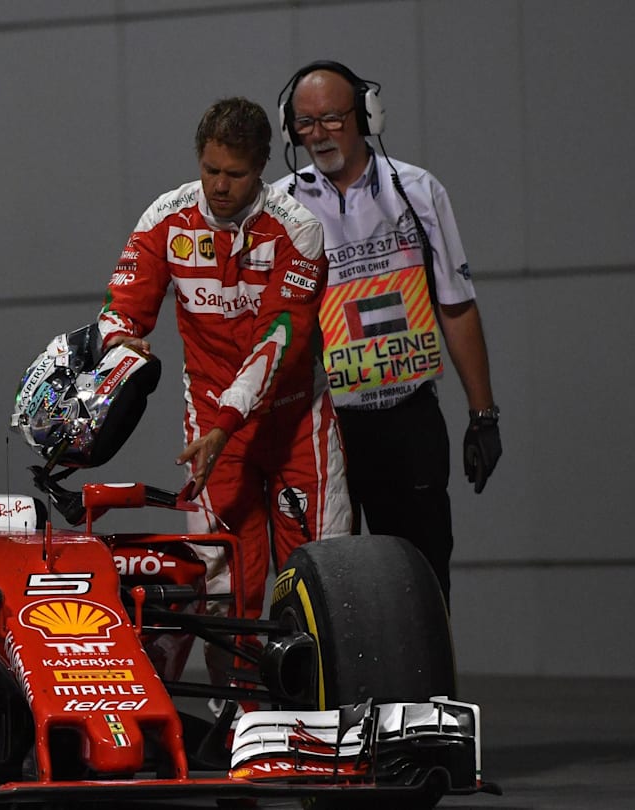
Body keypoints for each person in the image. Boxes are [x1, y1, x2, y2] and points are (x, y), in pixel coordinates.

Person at [97, 97, 351, 678]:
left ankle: (325, 712)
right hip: (210, 428)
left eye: (234, 174)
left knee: (322, 573)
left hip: (295, 424)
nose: (218, 185)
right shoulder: (166, 217)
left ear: (262, 166)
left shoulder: (299, 230)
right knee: (224, 580)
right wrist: (120, 342)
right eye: (210, 169)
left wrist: (226, 422)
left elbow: (279, 340)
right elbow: (119, 307)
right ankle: (234, 713)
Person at [273, 60, 502, 603]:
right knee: (330, 586)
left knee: (421, 579)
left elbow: (456, 305)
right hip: (324, 426)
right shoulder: (279, 207)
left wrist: (483, 414)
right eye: (305, 123)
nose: (319, 134)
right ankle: (342, 691)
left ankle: (423, 688)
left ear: (366, 113)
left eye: (332, 117)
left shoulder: (419, 192)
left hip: (408, 416)